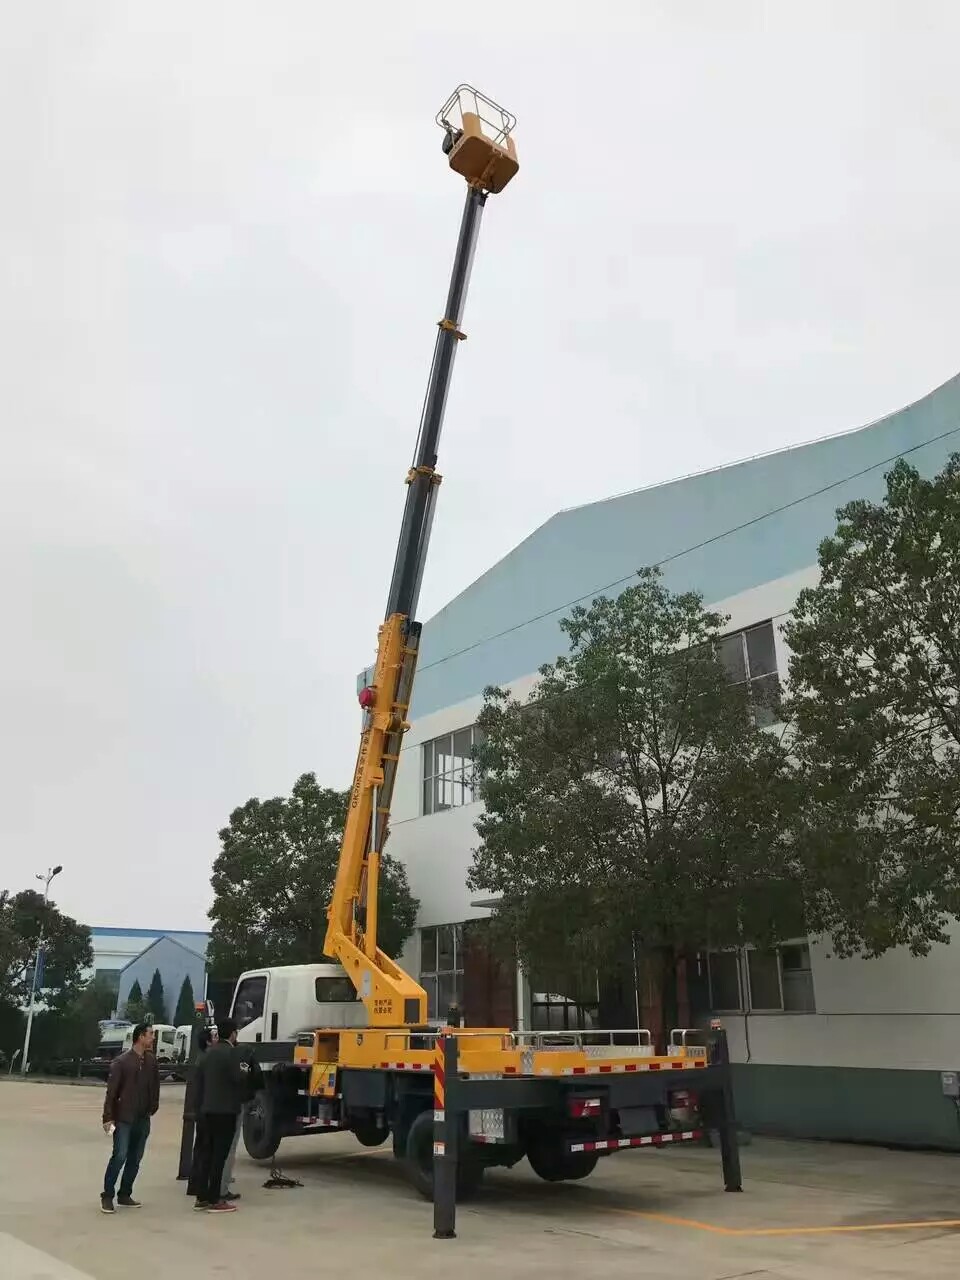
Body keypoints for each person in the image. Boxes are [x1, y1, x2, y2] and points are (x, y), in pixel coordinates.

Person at [100, 1022, 160, 1213]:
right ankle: (107, 1195)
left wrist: (153, 1106)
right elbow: (111, 1092)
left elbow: (155, 1086)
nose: (153, 1038)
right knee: (120, 1155)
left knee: (135, 1158)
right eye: (150, 1034)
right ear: (140, 1037)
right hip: (124, 1118)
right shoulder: (122, 1062)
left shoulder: (151, 1061)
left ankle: (125, 1194)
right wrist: (108, 1117)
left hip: (143, 1117)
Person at [193, 1019, 247, 1213]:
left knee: (207, 1154)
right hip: (226, 1111)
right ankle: (215, 1199)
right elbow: (239, 1078)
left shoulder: (207, 1054)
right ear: (233, 1034)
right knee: (219, 1156)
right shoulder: (232, 1054)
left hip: (207, 1110)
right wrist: (245, 1070)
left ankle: (201, 1197)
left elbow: (199, 1082)